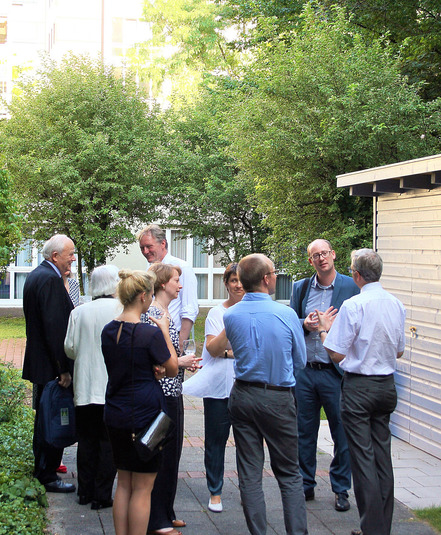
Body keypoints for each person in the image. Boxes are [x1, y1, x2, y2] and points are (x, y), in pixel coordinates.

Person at [316, 249, 406, 535]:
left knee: (363, 459)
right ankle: (382, 528)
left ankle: (373, 530)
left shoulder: (354, 305)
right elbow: (400, 350)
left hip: (359, 388)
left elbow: (335, 354)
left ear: (356, 274)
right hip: (386, 386)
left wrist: (324, 330)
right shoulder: (396, 304)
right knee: (382, 456)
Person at [224, 254, 308, 535]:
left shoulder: (231, 315)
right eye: (273, 272)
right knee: (289, 473)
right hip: (277, 396)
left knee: (249, 472)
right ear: (266, 278)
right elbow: (300, 361)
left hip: (243, 395)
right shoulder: (285, 314)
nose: (275, 276)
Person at [102, 269, 178, 535]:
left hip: (115, 411)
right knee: (143, 487)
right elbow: (171, 368)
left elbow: (127, 363)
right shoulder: (149, 333)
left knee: (123, 482)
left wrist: (150, 367)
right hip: (146, 415)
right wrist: (165, 331)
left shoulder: (109, 331)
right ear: (144, 296)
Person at [289, 238, 358, 511]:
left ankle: (341, 488)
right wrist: (304, 324)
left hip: (335, 372)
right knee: (303, 431)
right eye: (315, 255)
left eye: (325, 253)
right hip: (305, 371)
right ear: (310, 261)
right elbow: (291, 325)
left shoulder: (351, 287)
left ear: (334, 254)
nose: (321, 258)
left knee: (342, 432)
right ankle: (306, 485)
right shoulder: (301, 287)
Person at [142, 263, 201, 535]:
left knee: (172, 457)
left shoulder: (163, 312)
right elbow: (157, 358)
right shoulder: (154, 314)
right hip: (163, 396)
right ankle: (158, 521)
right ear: (163, 283)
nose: (180, 285)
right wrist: (181, 360)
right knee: (163, 458)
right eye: (177, 280)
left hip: (172, 393)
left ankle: (167, 512)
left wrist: (182, 362)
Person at [183, 263, 244, 513]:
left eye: (242, 280)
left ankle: (248, 491)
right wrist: (232, 350)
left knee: (248, 442)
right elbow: (213, 349)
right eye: (233, 280)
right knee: (215, 442)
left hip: (245, 387)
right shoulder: (217, 314)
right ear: (226, 284)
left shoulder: (256, 310)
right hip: (218, 388)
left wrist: (231, 351)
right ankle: (215, 491)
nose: (238, 285)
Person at [22, 234, 77, 493]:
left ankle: (44, 469)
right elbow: (55, 330)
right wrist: (62, 369)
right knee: (51, 420)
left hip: (41, 363)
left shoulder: (37, 275)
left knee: (45, 418)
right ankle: (47, 474)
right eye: (70, 254)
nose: (73, 258)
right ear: (55, 256)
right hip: (50, 366)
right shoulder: (51, 280)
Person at [64, 265, 122, 509]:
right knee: (108, 442)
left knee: (86, 440)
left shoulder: (79, 312)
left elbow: (70, 348)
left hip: (85, 386)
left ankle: (84, 491)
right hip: (111, 386)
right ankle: (102, 494)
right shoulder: (121, 310)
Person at [138, 225, 198, 349]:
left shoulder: (182, 268)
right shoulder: (149, 270)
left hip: (172, 335)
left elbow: (190, 308)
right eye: (142, 248)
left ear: (163, 243)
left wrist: (180, 344)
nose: (145, 251)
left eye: (149, 246)